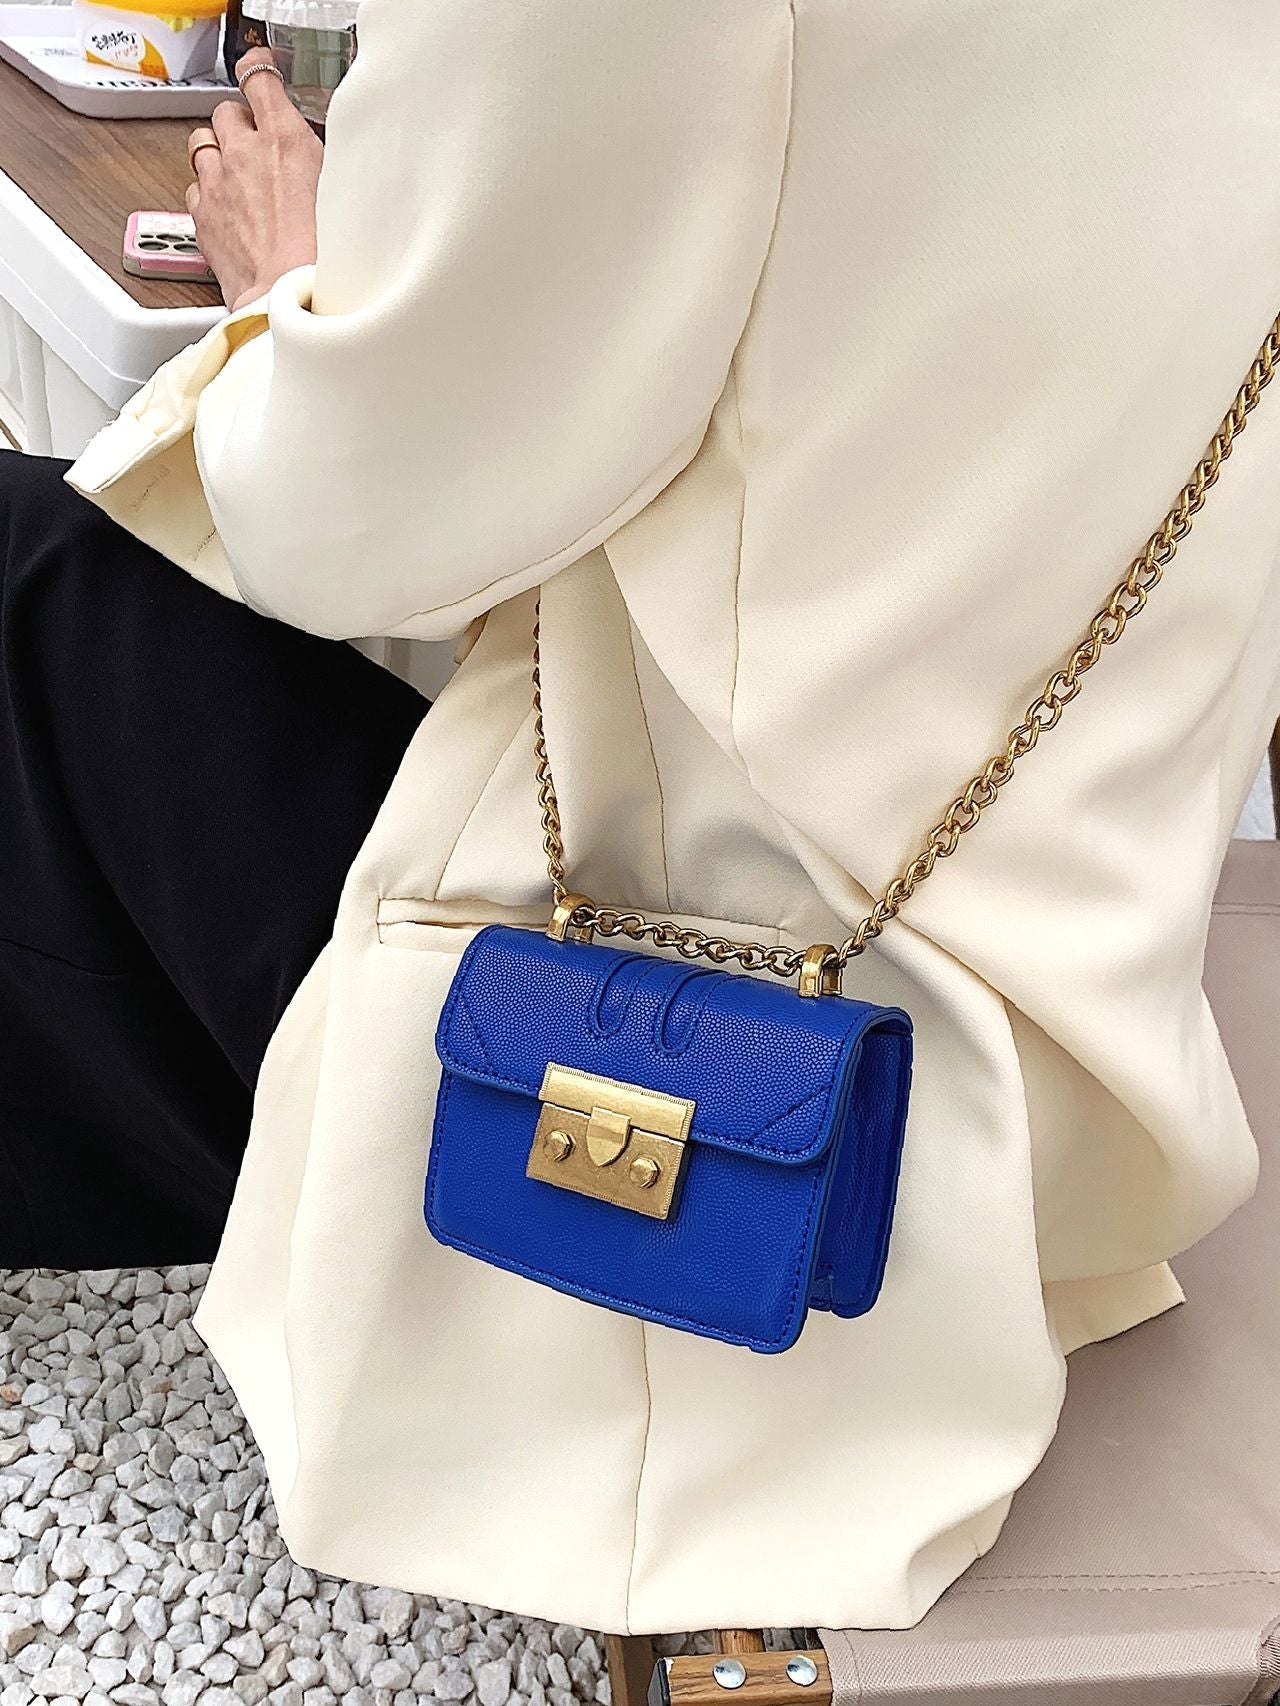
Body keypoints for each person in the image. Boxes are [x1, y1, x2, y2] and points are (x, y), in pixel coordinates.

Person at [3, 0, 1279, 1638]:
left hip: (707, 1025)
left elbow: (348, 513)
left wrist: (283, 286)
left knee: (43, 570)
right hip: (1084, 1042)